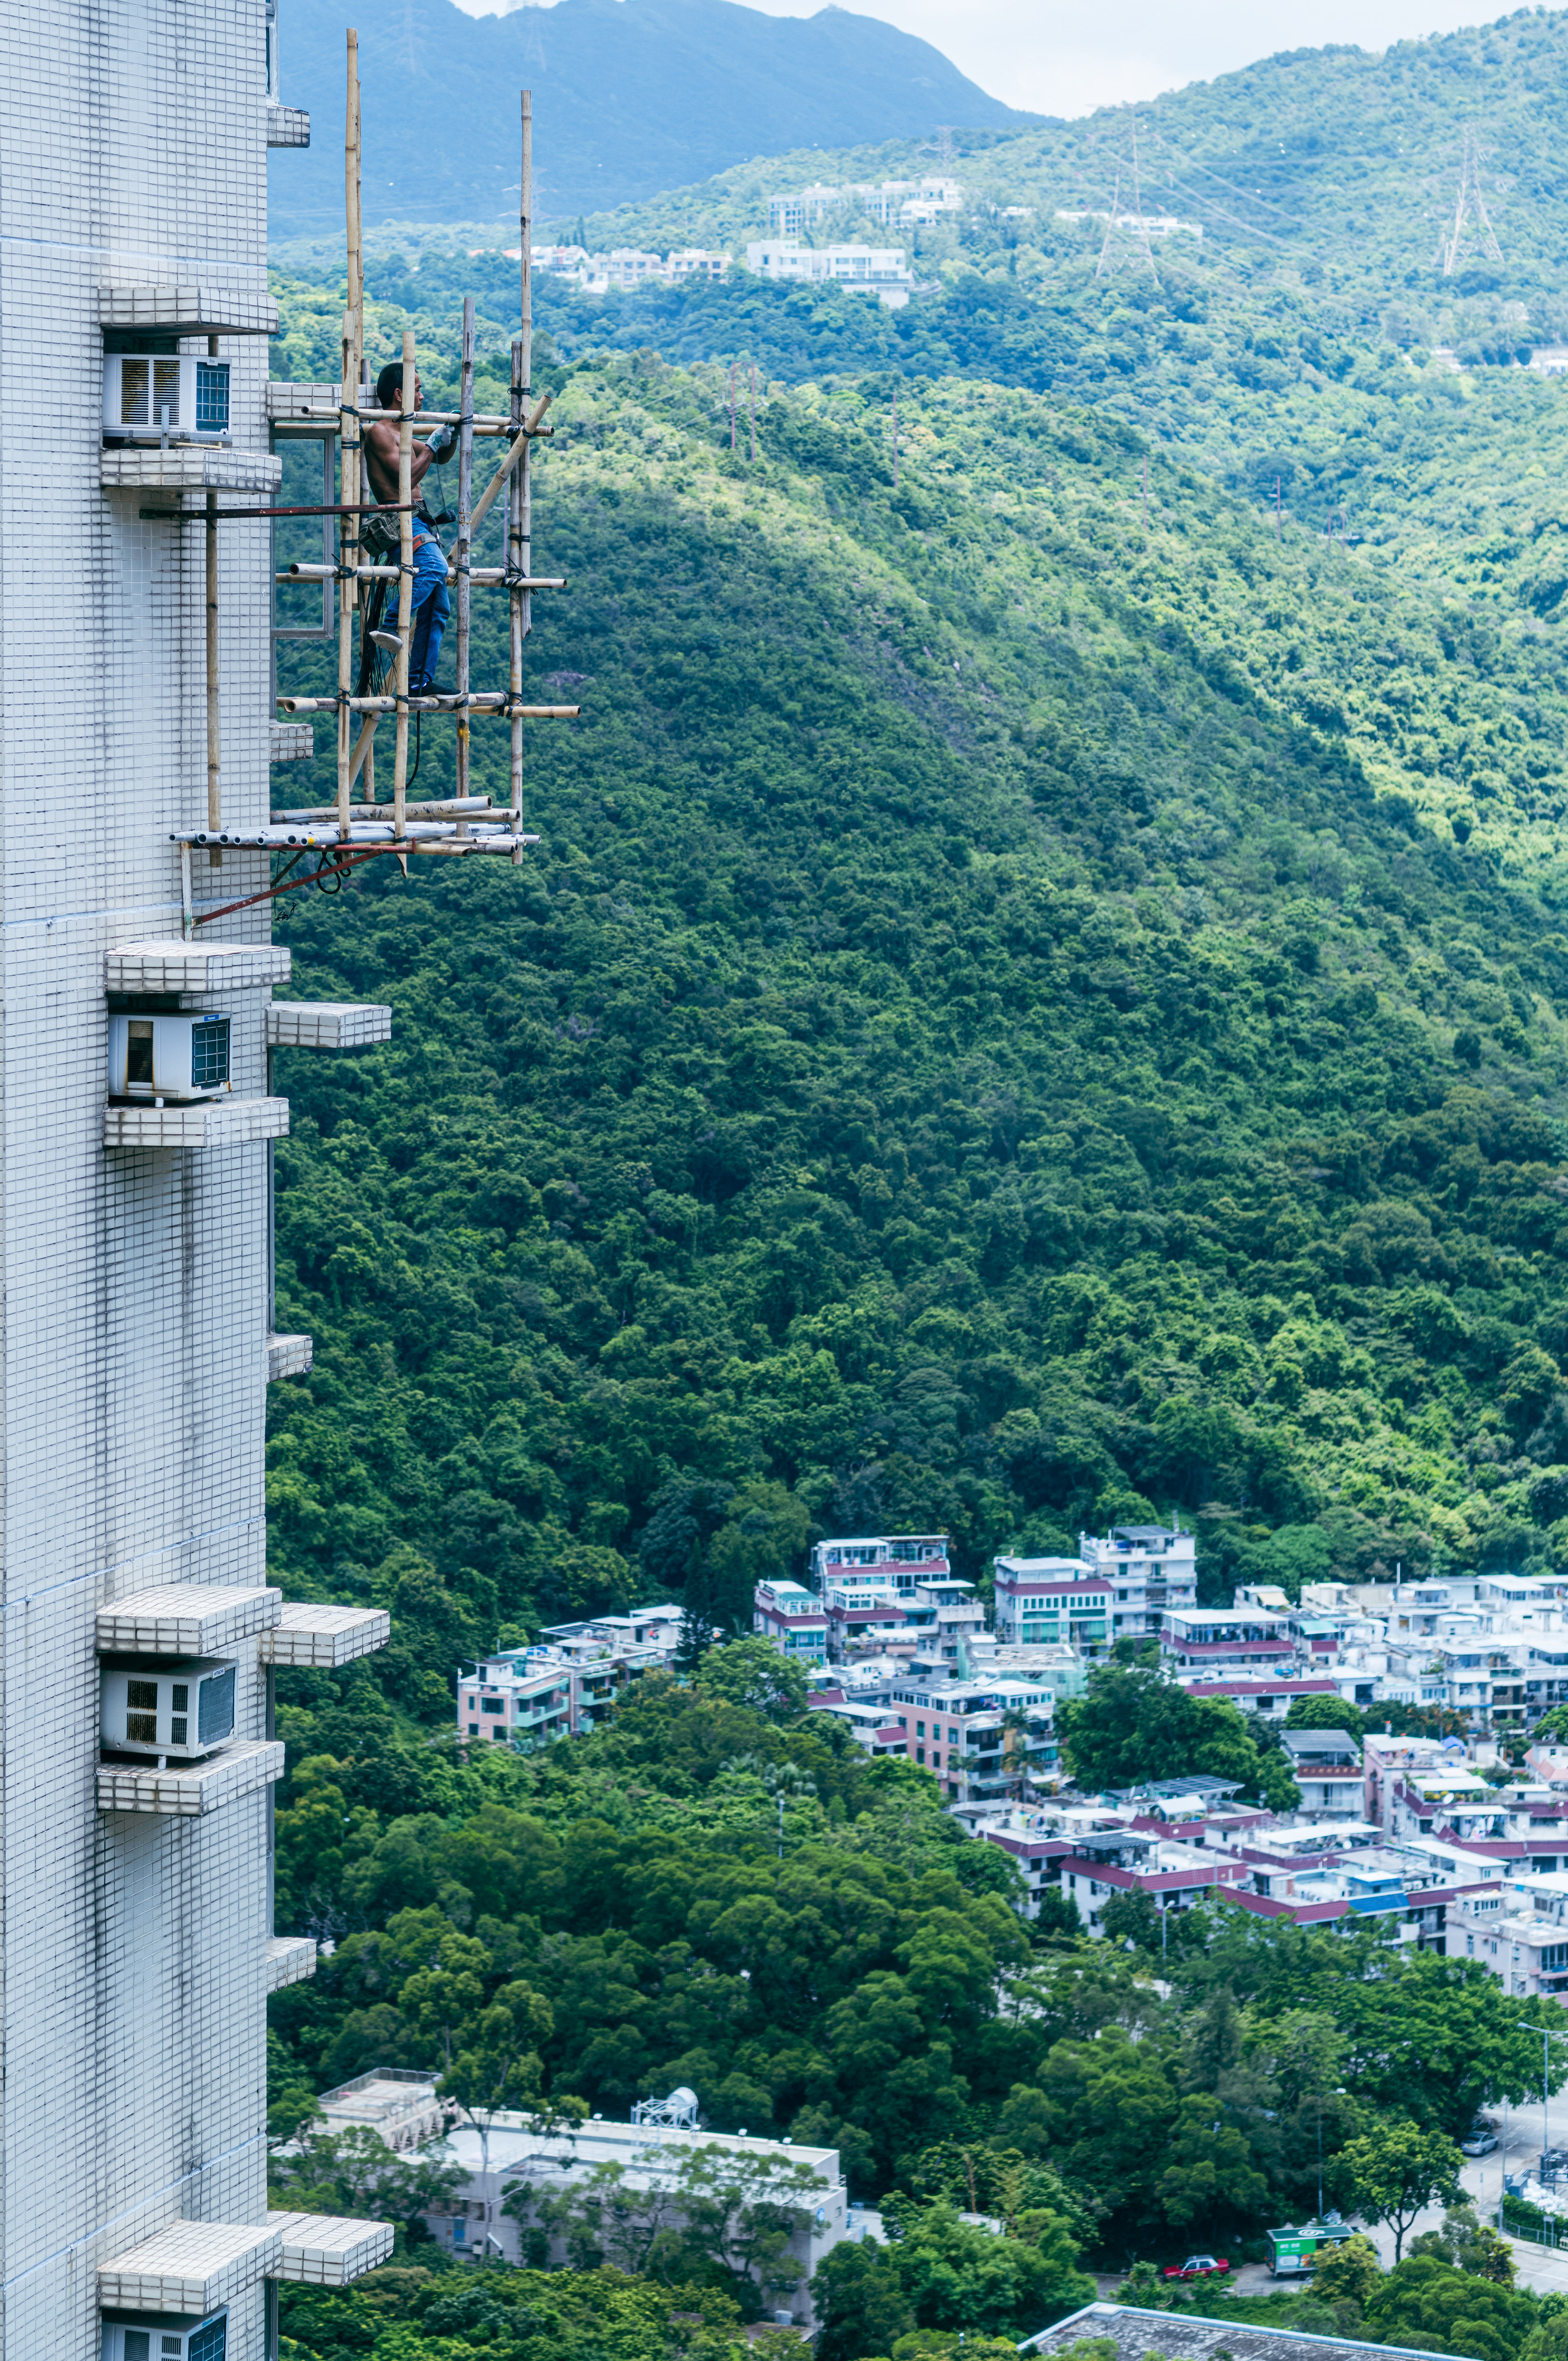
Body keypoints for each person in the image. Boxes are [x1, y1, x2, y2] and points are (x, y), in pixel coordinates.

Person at [362, 360, 457, 694]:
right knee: (433, 567)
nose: (422, 396)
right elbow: (407, 481)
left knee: (438, 603)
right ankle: (391, 624)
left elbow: (441, 457)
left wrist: (451, 435)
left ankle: (418, 681)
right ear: (399, 394)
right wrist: (432, 443)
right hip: (399, 518)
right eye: (416, 390)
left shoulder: (402, 433)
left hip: (418, 518)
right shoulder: (380, 432)